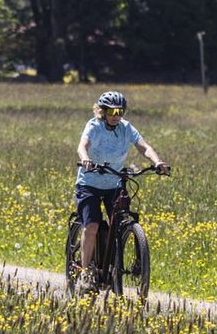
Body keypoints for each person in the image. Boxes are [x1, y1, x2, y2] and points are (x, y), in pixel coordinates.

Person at [73, 90, 168, 290]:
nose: (116, 116)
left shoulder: (126, 128)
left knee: (120, 222)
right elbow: (83, 145)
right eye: (112, 111)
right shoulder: (94, 126)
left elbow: (144, 147)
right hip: (89, 184)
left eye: (120, 111)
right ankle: (85, 272)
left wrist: (157, 161)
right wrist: (86, 159)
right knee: (92, 226)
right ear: (102, 111)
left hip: (114, 183)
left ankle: (115, 266)